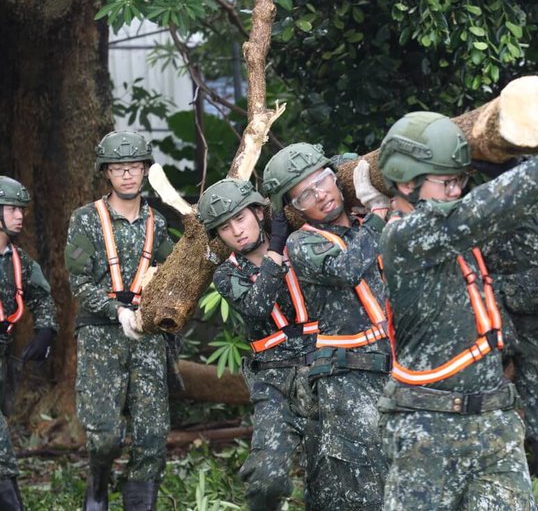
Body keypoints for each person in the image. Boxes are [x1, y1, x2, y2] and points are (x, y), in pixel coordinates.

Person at [375, 105, 538, 510]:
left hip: (493, 422)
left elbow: (509, 211)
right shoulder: (405, 238)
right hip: (427, 429)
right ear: (404, 181)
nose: (456, 191)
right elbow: (490, 205)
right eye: (445, 182)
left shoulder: (459, 234)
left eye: (461, 181)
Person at [261, 143, 391, 510]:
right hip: (347, 378)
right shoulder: (304, 243)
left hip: (392, 366)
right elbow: (346, 270)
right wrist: (380, 213)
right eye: (305, 195)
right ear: (295, 209)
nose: (320, 195)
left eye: (322, 182)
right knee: (364, 484)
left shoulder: (362, 228)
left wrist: (367, 199)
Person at [65, 131, 173, 511]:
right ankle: (96, 487)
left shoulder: (158, 222)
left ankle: (139, 502)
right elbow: (78, 281)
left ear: (145, 171)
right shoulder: (85, 219)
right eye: (118, 168)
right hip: (100, 333)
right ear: (106, 173)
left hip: (146, 337)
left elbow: (172, 275)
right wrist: (117, 311)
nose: (127, 175)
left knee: (152, 434)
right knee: (104, 435)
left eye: (134, 167)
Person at [197, 178, 318, 511]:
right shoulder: (227, 274)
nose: (236, 231)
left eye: (240, 218)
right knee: (267, 479)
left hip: (324, 370)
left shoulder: (304, 242)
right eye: (225, 228)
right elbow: (257, 305)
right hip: (274, 381)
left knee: (329, 486)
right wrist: (276, 251)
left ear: (258, 213)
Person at [471, 162, 538, 477]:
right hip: (510, 312)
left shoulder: (484, 199)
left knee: (493, 390)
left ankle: (526, 475)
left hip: (496, 311)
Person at [0, 176, 58, 510]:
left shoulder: (19, 260)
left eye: (21, 209)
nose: (20, 215)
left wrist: (45, 331)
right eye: (11, 209)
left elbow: (42, 297)